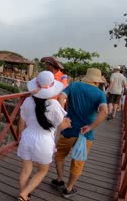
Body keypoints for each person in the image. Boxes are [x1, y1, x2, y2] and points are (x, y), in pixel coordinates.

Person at [52, 68, 108, 198]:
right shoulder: (100, 94)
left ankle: (59, 180)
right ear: (97, 81)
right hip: (85, 134)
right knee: (78, 161)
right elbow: (104, 112)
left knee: (60, 155)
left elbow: (61, 97)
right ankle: (69, 189)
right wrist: (90, 127)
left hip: (69, 129)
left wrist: (62, 116)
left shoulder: (74, 85)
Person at [17, 71, 72, 201]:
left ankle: (24, 194)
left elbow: (21, 121)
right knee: (42, 170)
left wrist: (20, 136)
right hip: (44, 141)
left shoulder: (28, 101)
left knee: (25, 170)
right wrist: (68, 123)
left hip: (27, 137)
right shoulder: (53, 105)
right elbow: (61, 125)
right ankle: (24, 194)